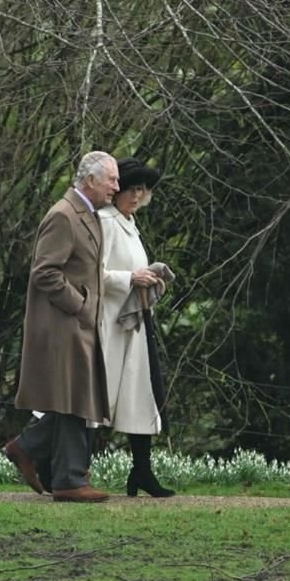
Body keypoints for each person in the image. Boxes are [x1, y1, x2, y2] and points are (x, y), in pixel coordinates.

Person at [2, 151, 120, 503]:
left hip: (78, 324)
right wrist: (80, 305)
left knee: (75, 398)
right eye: (111, 179)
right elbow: (44, 272)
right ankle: (68, 479)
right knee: (73, 399)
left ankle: (28, 449)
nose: (117, 185)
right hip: (63, 323)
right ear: (90, 181)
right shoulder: (64, 216)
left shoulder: (88, 214)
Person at [98, 157, 175, 497]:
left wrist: (151, 279)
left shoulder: (131, 225)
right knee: (99, 401)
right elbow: (96, 273)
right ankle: (55, 464)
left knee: (139, 397)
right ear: (117, 191)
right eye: (131, 189)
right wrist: (131, 277)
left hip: (136, 322)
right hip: (110, 325)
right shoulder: (105, 222)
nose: (136, 195)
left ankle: (142, 471)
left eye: (142, 191)